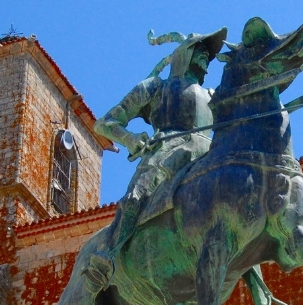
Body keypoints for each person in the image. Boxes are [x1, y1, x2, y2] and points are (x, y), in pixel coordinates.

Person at [86, 27, 228, 286]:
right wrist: (130, 139)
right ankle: (107, 255)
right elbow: (105, 124)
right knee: (136, 195)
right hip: (168, 149)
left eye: (208, 53)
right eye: (200, 50)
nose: (206, 56)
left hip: (209, 152)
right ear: (184, 54)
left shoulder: (213, 97)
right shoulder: (155, 87)